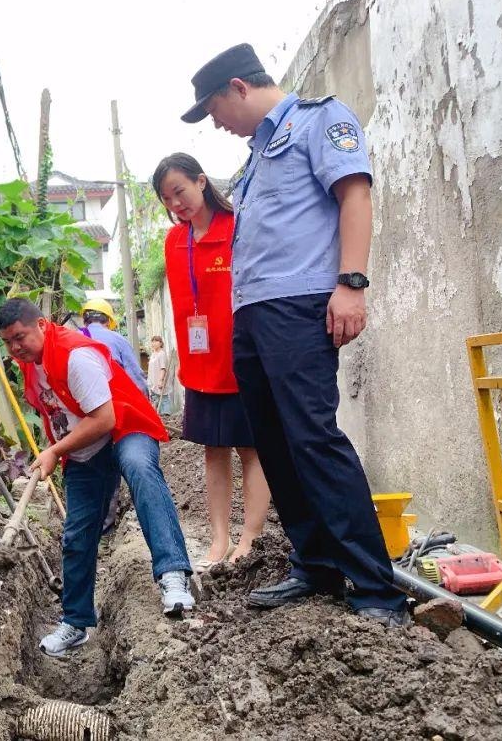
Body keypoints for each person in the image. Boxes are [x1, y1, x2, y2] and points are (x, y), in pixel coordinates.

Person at [181, 43, 409, 626]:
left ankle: (376, 587)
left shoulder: (318, 121)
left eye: (214, 111)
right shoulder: (254, 160)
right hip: (253, 315)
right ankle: (316, 564)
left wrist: (351, 283)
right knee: (276, 443)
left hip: (299, 305)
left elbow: (355, 193)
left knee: (312, 436)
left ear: (238, 87)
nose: (217, 125)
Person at [0, 299, 193, 658]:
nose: (14, 348)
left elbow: (104, 418)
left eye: (20, 337)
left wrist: (55, 451)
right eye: (7, 342)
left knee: (140, 472)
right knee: (77, 533)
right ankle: (75, 622)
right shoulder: (30, 364)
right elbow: (59, 412)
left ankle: (173, 576)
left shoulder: (75, 356)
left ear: (40, 325)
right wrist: (54, 450)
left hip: (124, 427)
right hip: (86, 447)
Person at [153, 152, 271, 572]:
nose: (175, 204)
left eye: (180, 192)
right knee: (213, 451)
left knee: (251, 450)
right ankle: (219, 538)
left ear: (201, 182)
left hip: (240, 363)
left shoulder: (236, 229)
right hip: (199, 367)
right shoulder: (174, 241)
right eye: (167, 198)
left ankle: (250, 537)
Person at [78, 298, 147, 534]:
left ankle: (85, 525)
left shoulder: (75, 338)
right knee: (112, 468)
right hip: (114, 414)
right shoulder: (117, 340)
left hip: (81, 417)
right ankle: (105, 528)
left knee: (85, 469)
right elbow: (137, 380)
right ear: (108, 321)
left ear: (85, 318)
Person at [79, 299, 148, 393]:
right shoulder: (119, 340)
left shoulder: (73, 338)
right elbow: (136, 377)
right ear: (108, 321)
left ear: (85, 321)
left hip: (78, 401)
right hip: (114, 400)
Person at [147, 335, 171, 415]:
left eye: (156, 341)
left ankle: (166, 416)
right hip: (153, 380)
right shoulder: (153, 354)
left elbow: (163, 368)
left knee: (163, 399)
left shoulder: (161, 354)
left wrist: (160, 380)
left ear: (160, 343)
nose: (154, 343)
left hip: (159, 380)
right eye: (152, 341)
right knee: (156, 398)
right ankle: (160, 416)